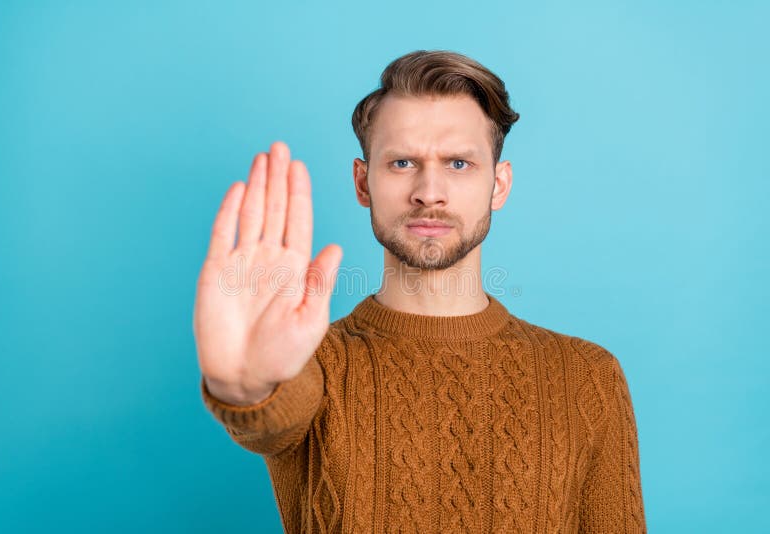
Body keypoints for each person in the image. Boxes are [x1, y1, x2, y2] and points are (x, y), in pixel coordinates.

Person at [192, 49, 647, 533]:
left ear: (499, 184)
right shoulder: (310, 365)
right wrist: (245, 387)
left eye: (458, 163)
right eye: (403, 161)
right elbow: (270, 415)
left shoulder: (588, 377)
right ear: (363, 183)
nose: (429, 191)